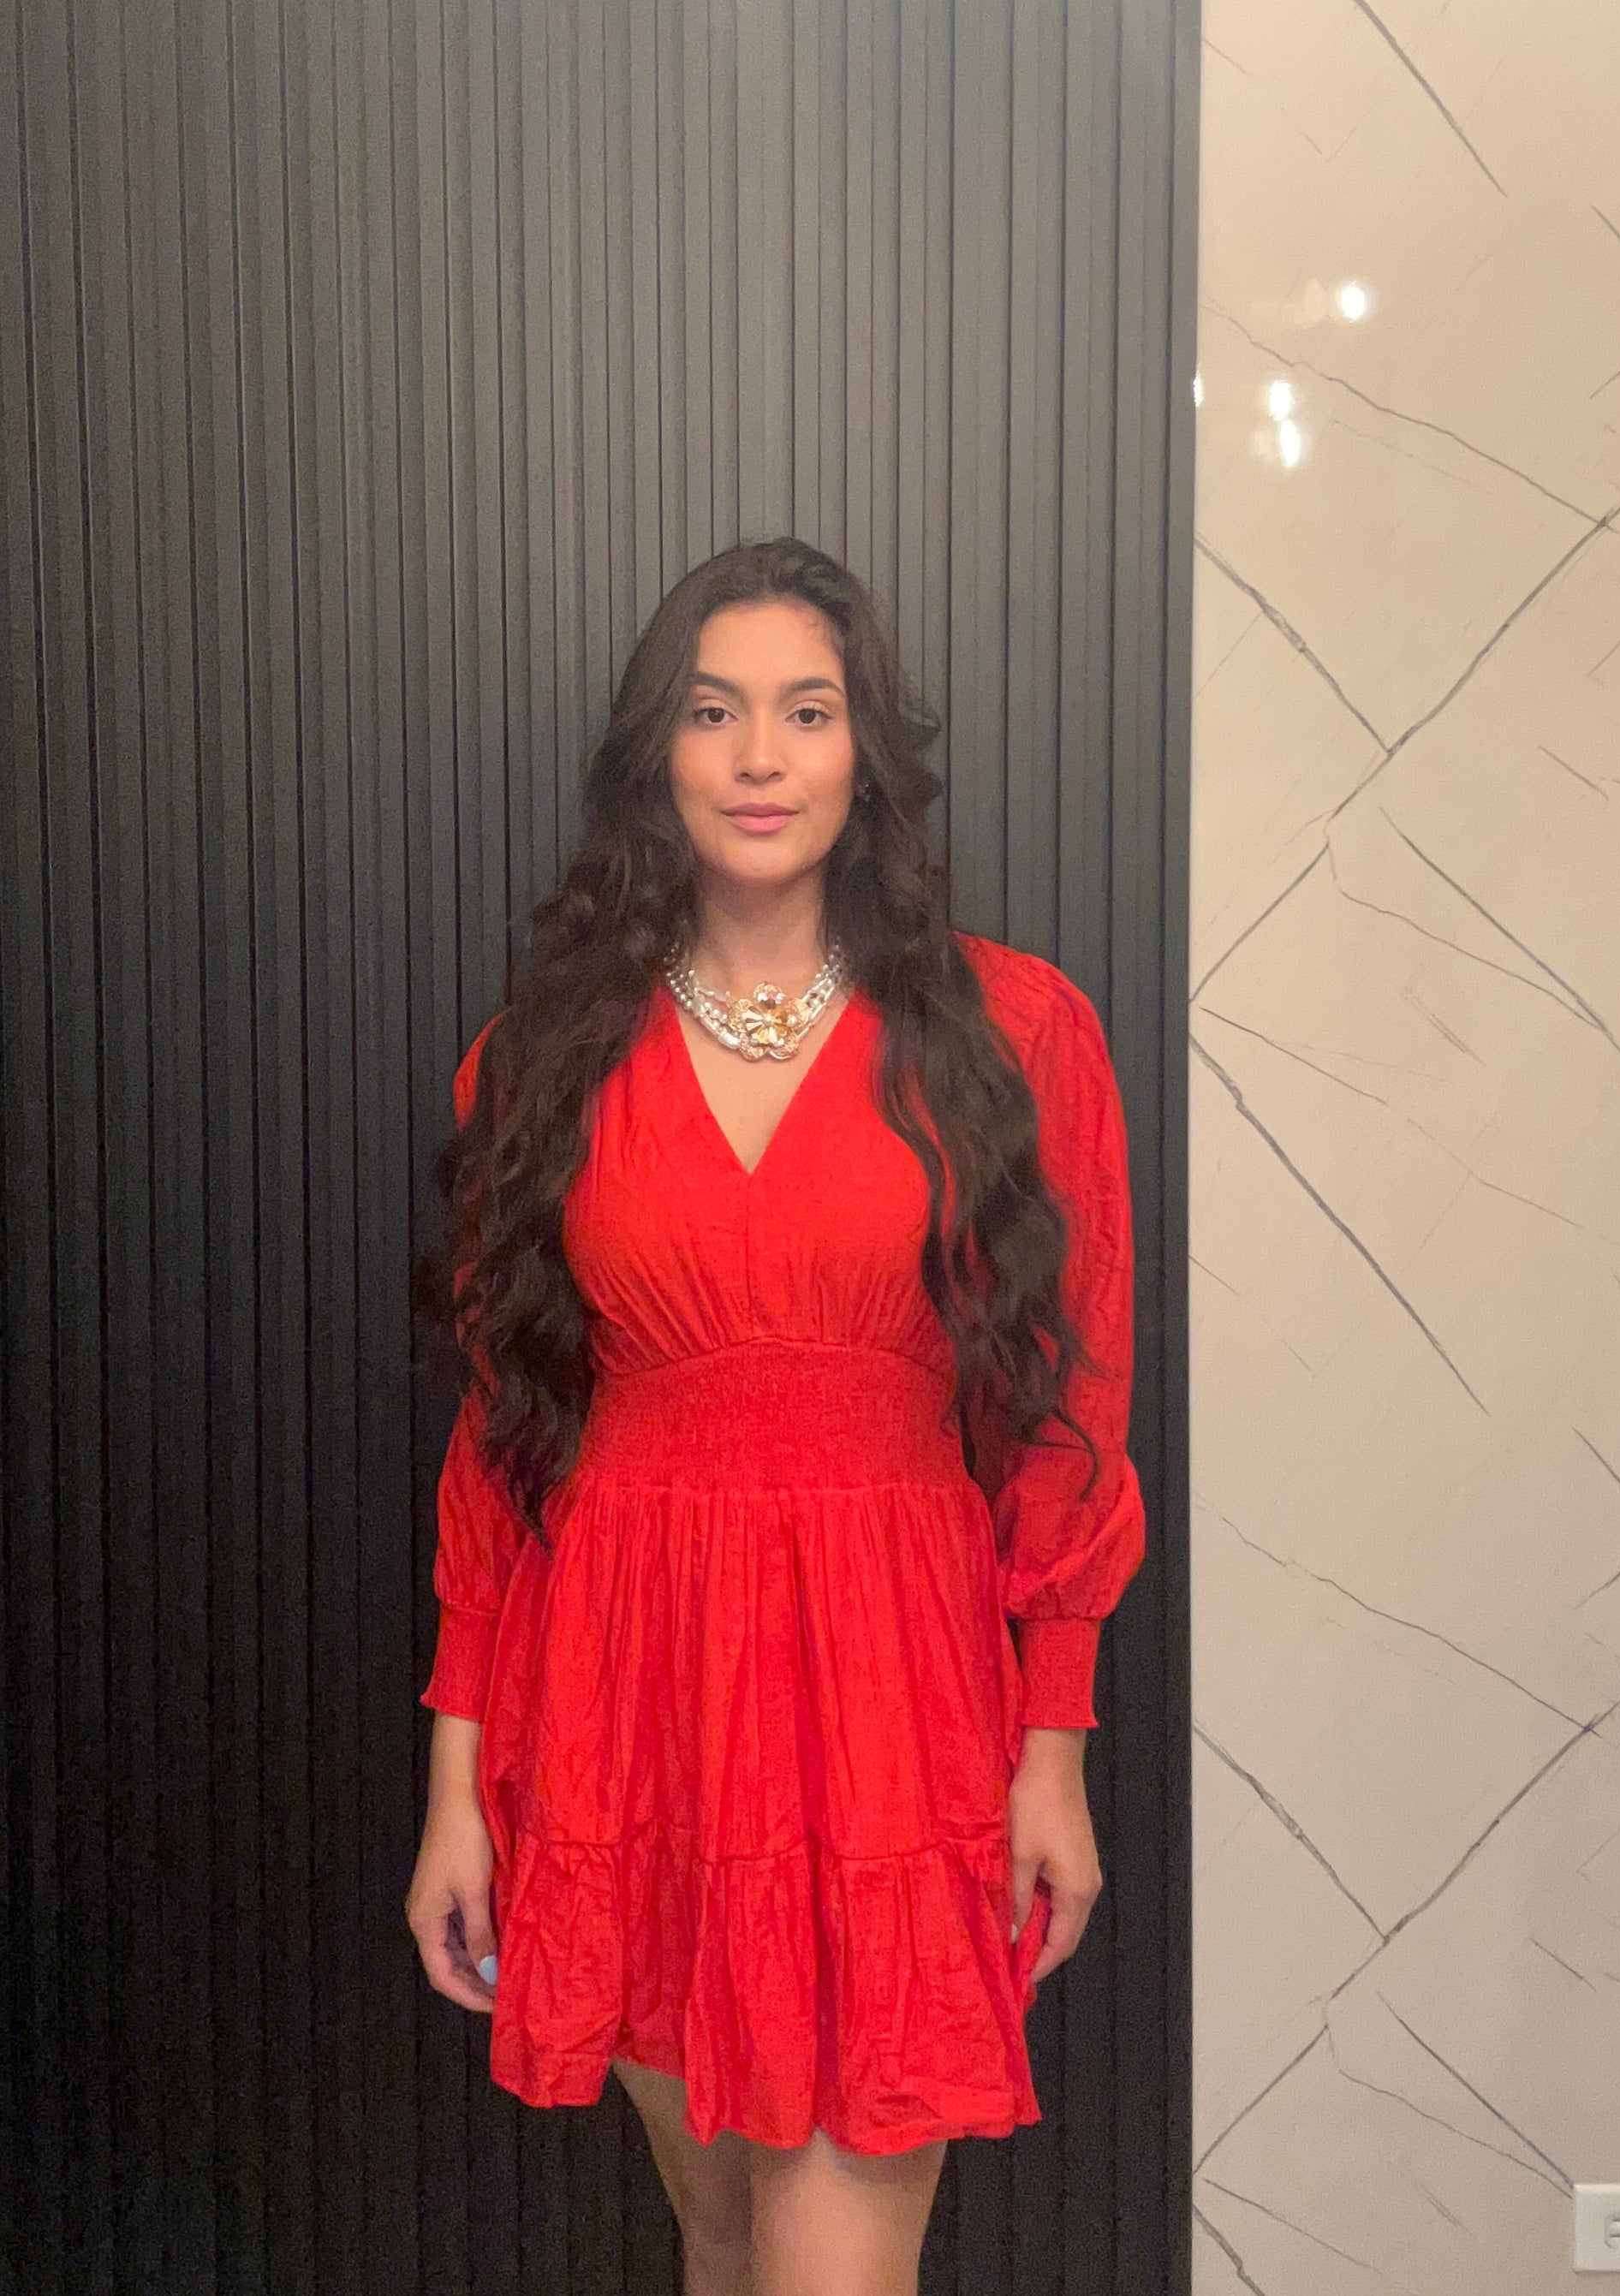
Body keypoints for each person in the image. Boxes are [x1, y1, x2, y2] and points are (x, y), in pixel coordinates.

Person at [404, 537, 1146, 2294]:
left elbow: (1070, 1409)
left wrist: (1054, 1744)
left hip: (892, 1694)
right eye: (712, 711)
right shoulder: (540, 1057)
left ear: (864, 748)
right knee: (725, 2238)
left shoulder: (1014, 1030)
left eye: (806, 713)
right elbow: (504, 1441)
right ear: (653, 752)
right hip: (624, 1699)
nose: (757, 757)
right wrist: (456, 1790)